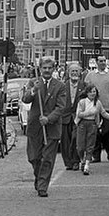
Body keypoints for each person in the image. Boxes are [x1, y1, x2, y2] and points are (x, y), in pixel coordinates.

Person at [21, 56, 66, 197]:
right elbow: (25, 99)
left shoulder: (60, 86)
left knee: (47, 158)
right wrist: (34, 90)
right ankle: (39, 176)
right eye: (44, 68)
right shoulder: (34, 82)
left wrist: (49, 118)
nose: (47, 70)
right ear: (40, 69)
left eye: (49, 68)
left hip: (51, 128)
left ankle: (42, 186)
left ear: (53, 69)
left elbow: (61, 107)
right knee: (34, 157)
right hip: (35, 127)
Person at [75, 84, 109, 175]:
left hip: (92, 124)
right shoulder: (82, 102)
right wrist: (89, 112)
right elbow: (79, 114)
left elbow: (103, 113)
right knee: (80, 146)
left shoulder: (98, 103)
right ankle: (82, 160)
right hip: (82, 124)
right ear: (87, 93)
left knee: (90, 145)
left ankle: (87, 164)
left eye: (94, 91)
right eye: (90, 91)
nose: (92, 93)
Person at [84, 56, 109, 162]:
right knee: (94, 132)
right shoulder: (90, 75)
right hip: (93, 107)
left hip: (108, 107)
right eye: (100, 61)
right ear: (96, 62)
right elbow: (86, 90)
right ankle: (96, 155)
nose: (103, 62)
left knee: (107, 132)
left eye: (104, 61)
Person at [60, 62, 86, 171]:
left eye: (76, 71)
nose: (74, 73)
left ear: (80, 73)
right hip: (65, 117)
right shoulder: (62, 85)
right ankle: (68, 162)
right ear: (68, 73)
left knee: (76, 139)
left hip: (78, 116)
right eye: (72, 71)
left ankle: (76, 161)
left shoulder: (84, 85)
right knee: (65, 141)